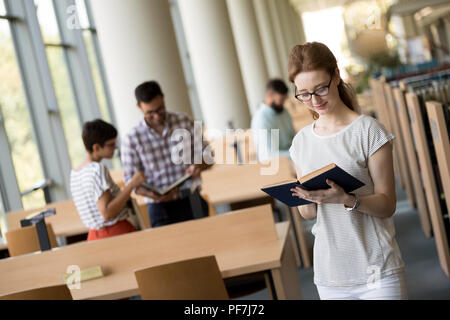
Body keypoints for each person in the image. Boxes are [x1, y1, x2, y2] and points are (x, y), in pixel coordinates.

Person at [288, 42, 407, 300]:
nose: (314, 100)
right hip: (330, 275)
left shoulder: (369, 131)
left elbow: (387, 205)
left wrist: (347, 200)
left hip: (377, 269)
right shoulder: (301, 142)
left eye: (321, 88)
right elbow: (308, 215)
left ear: (336, 76)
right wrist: (304, 197)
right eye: (304, 94)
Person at [121, 81, 211, 228]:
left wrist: (198, 165)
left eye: (160, 109)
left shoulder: (183, 121)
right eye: (150, 113)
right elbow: (131, 182)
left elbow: (208, 156)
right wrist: (154, 195)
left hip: (192, 198)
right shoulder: (132, 139)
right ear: (139, 107)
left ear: (163, 98)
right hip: (159, 209)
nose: (156, 116)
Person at [70, 119, 146, 241]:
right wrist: (132, 184)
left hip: (94, 236)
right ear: (96, 147)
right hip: (116, 232)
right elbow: (107, 213)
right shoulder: (96, 169)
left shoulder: (75, 174)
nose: (115, 148)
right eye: (111, 145)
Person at [251, 79, 296, 162]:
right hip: (277, 164)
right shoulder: (261, 119)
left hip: (292, 157)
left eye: (284, 100)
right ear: (269, 95)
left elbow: (293, 138)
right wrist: (295, 153)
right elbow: (268, 155)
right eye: (281, 100)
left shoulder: (284, 111)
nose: (283, 103)